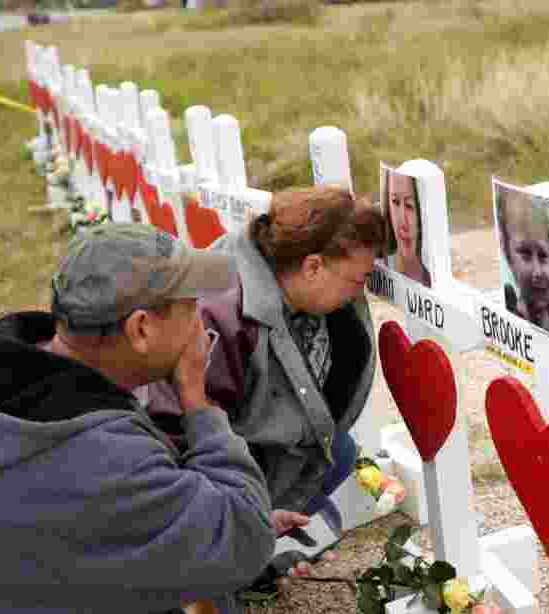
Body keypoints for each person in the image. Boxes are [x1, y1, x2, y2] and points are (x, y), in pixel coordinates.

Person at [0, 224, 309, 614]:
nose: (200, 325)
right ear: (140, 329)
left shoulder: (8, 376)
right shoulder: (97, 451)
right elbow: (243, 538)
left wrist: (188, 522)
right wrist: (196, 399)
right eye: (190, 308)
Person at [136, 185, 386, 589]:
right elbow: (181, 439)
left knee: (341, 454)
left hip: (241, 456)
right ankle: (233, 566)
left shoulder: (279, 283)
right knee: (335, 460)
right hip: (192, 481)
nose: (359, 292)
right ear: (313, 267)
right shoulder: (222, 320)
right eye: (357, 281)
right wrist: (239, 521)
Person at [496, 186, 549, 341]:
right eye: (525, 254)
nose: (538, 272)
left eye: (543, 257)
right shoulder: (507, 314)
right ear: (506, 252)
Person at [383, 169, 432, 287]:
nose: (402, 222)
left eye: (409, 206)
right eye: (395, 202)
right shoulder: (378, 266)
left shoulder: (432, 278)